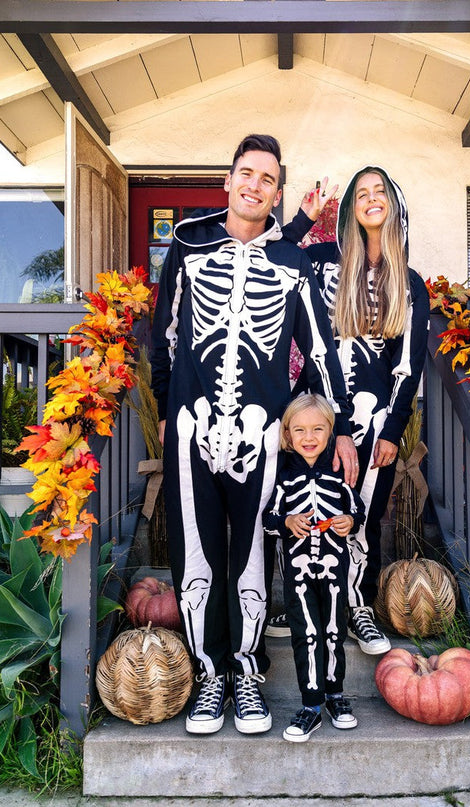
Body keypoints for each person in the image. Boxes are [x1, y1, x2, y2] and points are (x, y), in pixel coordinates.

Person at [149, 134, 357, 736]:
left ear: (276, 191)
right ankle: (209, 675)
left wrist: (333, 425)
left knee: (251, 557)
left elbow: (316, 351)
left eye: (267, 178)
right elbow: (163, 337)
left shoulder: (292, 262)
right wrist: (167, 409)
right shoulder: (188, 243)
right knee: (198, 555)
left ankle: (247, 675)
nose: (254, 185)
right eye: (247, 174)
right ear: (229, 179)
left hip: (263, 434)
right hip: (191, 425)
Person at [269, 166, 430, 655]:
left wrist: (393, 429)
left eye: (381, 190)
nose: (371, 198)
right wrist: (302, 218)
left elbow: (409, 363)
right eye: (362, 193)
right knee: (298, 503)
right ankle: (293, 603)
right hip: (314, 411)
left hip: (376, 416)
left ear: (393, 205)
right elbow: (271, 253)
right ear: (350, 209)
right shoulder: (320, 263)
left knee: (363, 511)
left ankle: (358, 606)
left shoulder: (409, 284)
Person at [263, 394, 365, 742]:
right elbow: (269, 519)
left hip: (335, 571)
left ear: (330, 433)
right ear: (288, 435)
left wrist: (349, 521)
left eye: (318, 429)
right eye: (300, 430)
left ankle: (335, 696)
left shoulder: (337, 477)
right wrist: (288, 520)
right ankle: (311, 704)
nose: (309, 437)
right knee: (306, 634)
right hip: (299, 572)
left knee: (334, 632)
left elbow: (358, 509)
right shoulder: (284, 479)